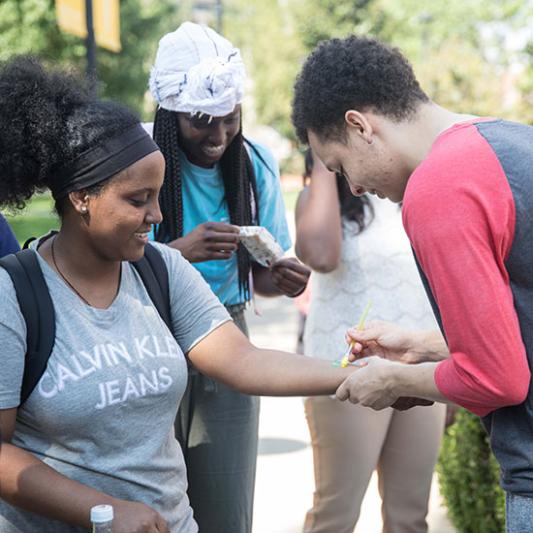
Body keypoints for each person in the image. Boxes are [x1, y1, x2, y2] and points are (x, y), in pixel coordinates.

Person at [0, 56, 357, 533]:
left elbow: (244, 361)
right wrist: (101, 512)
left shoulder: (160, 268)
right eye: (137, 200)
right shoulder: (14, 295)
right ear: (81, 197)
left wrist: (355, 374)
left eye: (158, 195)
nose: (157, 215)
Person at [291, 35, 533, 532]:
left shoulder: (438, 186)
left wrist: (394, 380)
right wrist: (424, 346)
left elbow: (498, 379)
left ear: (359, 126)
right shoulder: (509, 138)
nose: (354, 188)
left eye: (340, 166)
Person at [147, 22, 310, 533]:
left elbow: (259, 283)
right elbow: (108, 274)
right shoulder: (143, 164)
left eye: (228, 118)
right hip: (153, 336)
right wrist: (178, 254)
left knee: (225, 505)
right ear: (170, 115)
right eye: (201, 120)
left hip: (227, 332)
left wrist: (279, 278)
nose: (217, 136)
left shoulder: (253, 162)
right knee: (151, 506)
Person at [295, 150, 445, 533]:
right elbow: (321, 256)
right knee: (336, 513)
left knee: (410, 516)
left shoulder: (415, 190)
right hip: (347, 370)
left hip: (421, 368)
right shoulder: (320, 196)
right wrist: (324, 160)